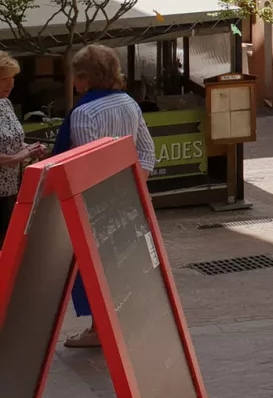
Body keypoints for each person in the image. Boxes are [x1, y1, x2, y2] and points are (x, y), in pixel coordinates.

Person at [55, 45, 156, 349]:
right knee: (121, 265)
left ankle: (99, 329)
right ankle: (117, 324)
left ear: (85, 78)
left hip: (97, 206)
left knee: (95, 268)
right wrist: (132, 189)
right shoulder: (128, 103)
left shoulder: (84, 113)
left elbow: (89, 166)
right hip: (128, 202)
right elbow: (148, 152)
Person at [0, 52, 47, 242]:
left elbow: (13, 141)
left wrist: (31, 148)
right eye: (4, 79)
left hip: (11, 189)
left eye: (12, 78)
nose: (10, 85)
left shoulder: (5, 104)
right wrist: (20, 156)